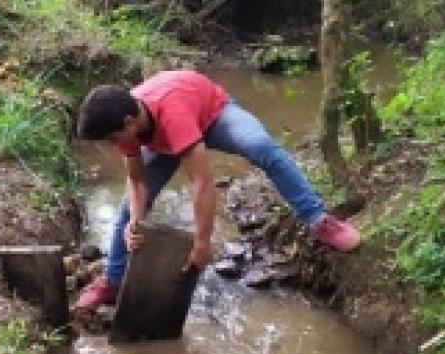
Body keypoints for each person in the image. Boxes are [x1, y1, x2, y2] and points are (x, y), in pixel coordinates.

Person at [74, 69, 360, 310]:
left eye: (113, 139)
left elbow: (201, 181)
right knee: (126, 212)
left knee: (262, 147)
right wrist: (135, 221)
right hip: (164, 135)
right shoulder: (122, 122)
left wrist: (202, 242)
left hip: (214, 115)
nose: (115, 146)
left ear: (129, 122)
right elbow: (137, 182)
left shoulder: (168, 114)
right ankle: (112, 282)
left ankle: (320, 221)